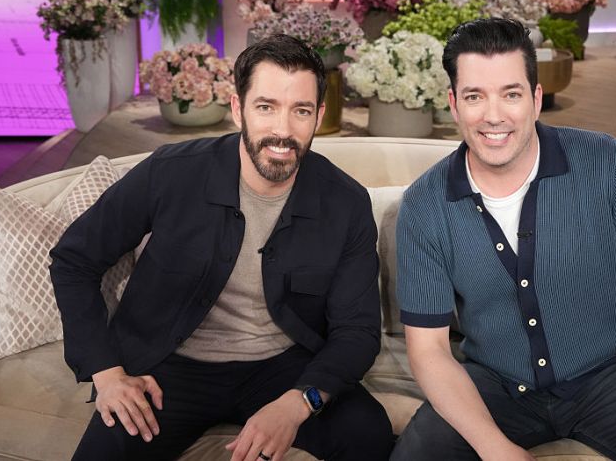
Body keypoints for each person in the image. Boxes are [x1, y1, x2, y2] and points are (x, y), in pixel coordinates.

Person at [390, 18, 616, 461]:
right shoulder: (424, 205)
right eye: (474, 96)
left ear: (536, 99)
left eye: (511, 94)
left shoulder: (605, 162)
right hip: (496, 384)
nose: (493, 115)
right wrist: (496, 450)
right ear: (453, 104)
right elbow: (429, 350)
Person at [50, 34, 393, 461]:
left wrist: (297, 404)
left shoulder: (346, 202)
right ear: (237, 109)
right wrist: (107, 373)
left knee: (370, 434)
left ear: (318, 116)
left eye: (301, 111)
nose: (283, 130)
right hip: (169, 363)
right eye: (266, 107)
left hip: (284, 364)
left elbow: (357, 332)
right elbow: (74, 260)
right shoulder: (170, 172)